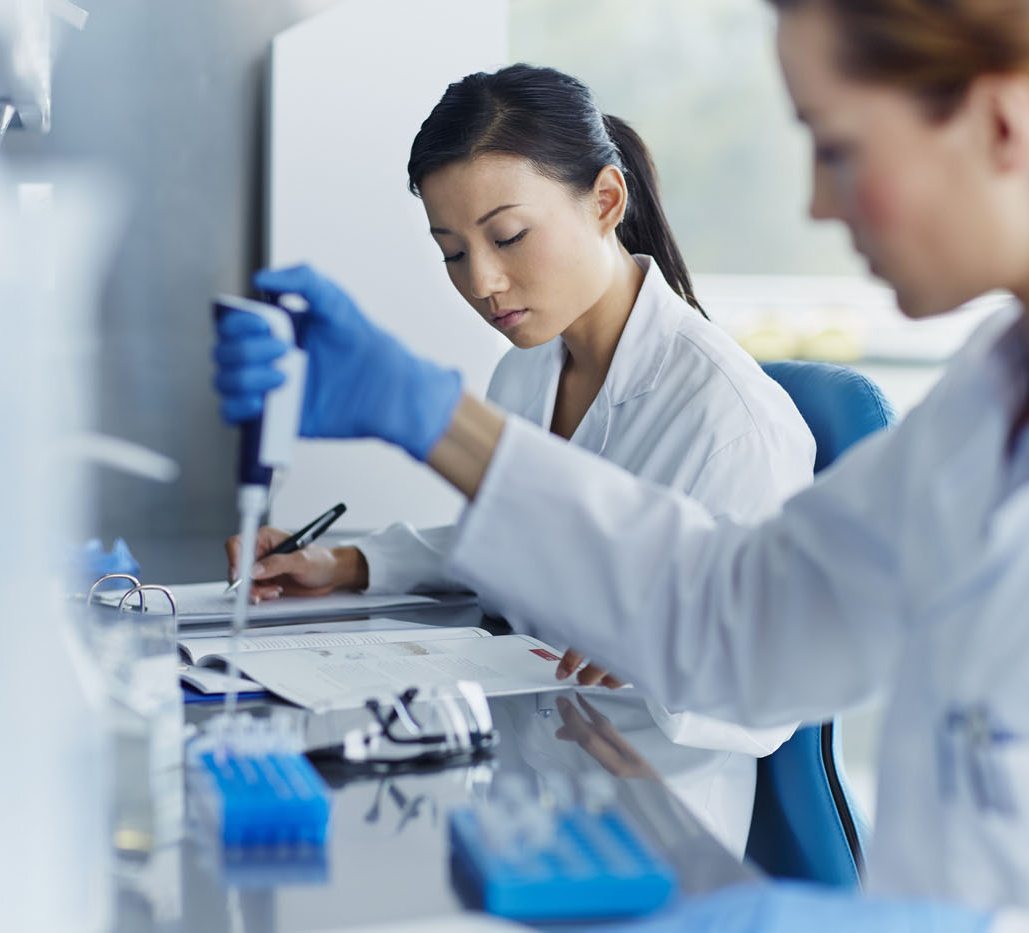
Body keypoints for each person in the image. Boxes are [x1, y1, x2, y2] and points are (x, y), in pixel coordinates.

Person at [214, 0, 1029, 926]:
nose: (817, 205)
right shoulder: (988, 405)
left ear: (1001, 124)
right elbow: (737, 616)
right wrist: (431, 417)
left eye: (835, 147)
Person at [220, 63, 817, 856]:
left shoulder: (730, 417)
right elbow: (523, 533)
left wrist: (651, 636)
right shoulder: (527, 369)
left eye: (507, 237)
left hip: (657, 829)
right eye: (452, 252)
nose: (483, 282)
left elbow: (767, 698)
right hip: (524, 789)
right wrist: (350, 562)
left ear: (606, 201)